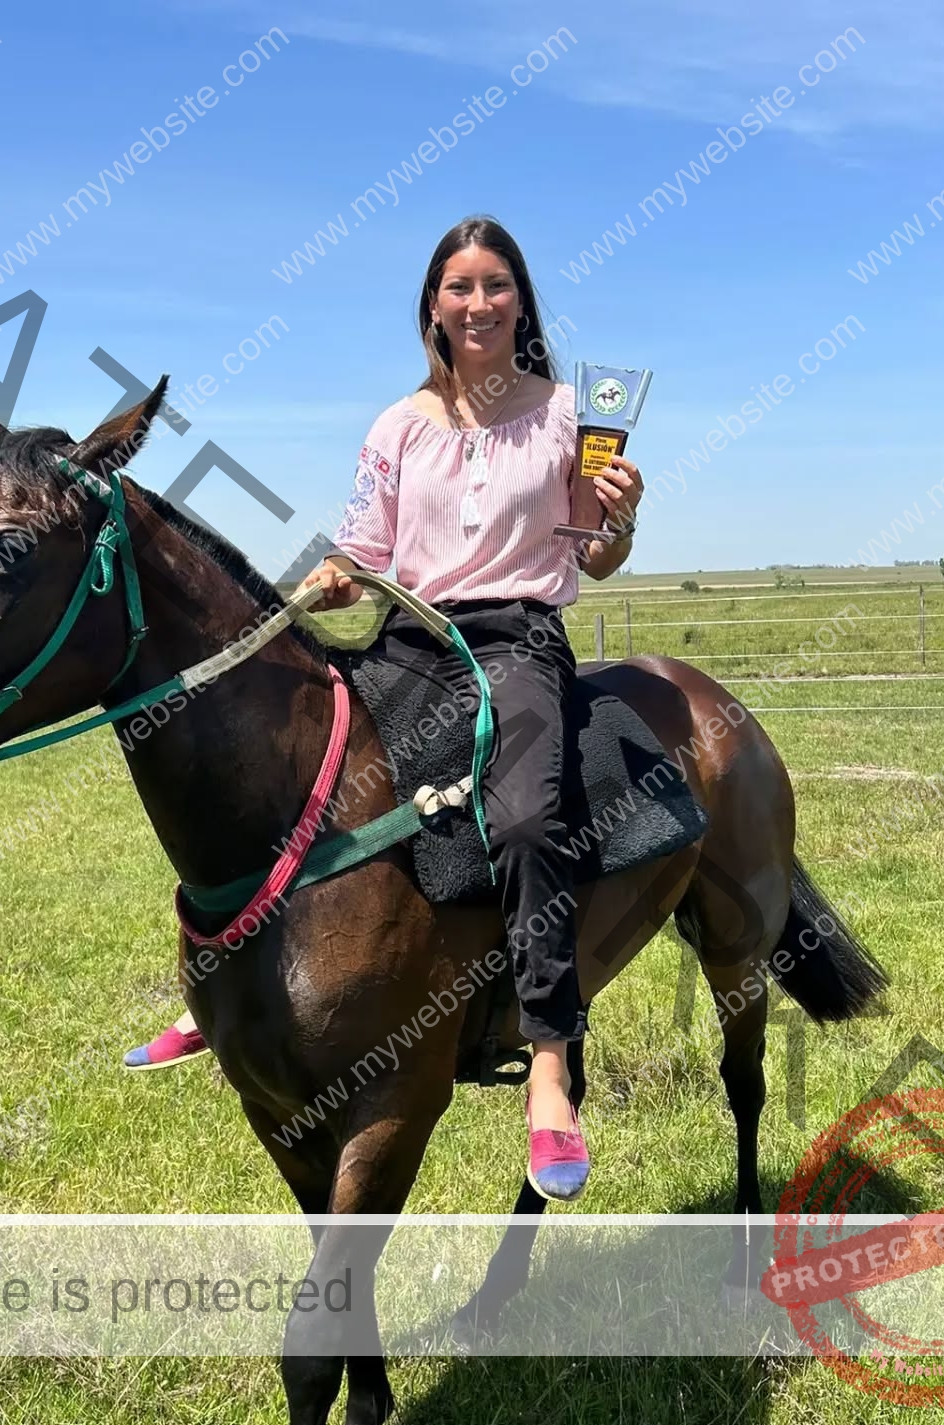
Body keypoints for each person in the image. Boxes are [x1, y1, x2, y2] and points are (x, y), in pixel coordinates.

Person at [129, 216, 643, 1205]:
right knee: (296, 781)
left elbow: (593, 553)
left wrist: (621, 518)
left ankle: (545, 1060)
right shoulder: (397, 425)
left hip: (515, 639)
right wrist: (337, 577)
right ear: (433, 307)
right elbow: (368, 552)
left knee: (530, 818)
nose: (479, 303)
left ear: (522, 300)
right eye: (459, 287)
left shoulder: (568, 412)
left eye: (496, 285)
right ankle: (223, 996)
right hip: (409, 633)